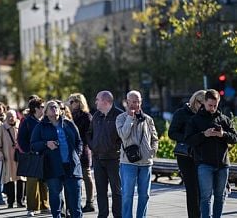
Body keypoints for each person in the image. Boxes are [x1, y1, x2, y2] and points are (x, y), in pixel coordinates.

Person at [185, 89, 237, 218]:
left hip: (222, 164)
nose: (213, 108)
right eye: (210, 105)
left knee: (220, 196)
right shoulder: (195, 120)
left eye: (215, 105)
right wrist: (204, 134)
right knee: (205, 197)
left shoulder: (224, 119)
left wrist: (223, 134)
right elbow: (189, 139)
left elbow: (235, 138)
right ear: (204, 103)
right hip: (204, 164)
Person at [31, 100, 84, 218]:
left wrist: (77, 155)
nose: (54, 109)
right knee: (56, 198)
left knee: (75, 199)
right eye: (51, 107)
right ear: (45, 112)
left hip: (72, 166)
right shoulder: (41, 126)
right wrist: (46, 144)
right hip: (52, 167)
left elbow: (79, 141)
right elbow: (33, 145)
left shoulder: (68, 123)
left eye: (56, 107)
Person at [116, 90, 158, 218]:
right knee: (127, 195)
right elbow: (123, 135)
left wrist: (152, 151)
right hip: (128, 163)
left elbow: (155, 138)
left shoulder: (148, 119)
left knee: (144, 195)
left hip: (146, 163)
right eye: (133, 101)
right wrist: (130, 117)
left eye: (138, 101)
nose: (136, 104)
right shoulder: (121, 118)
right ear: (127, 102)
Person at [168, 90, 206, 218]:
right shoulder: (181, 113)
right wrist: (189, 137)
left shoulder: (205, 114)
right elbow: (172, 133)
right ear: (195, 101)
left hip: (203, 156)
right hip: (186, 157)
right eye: (202, 104)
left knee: (204, 190)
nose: (204, 107)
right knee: (192, 190)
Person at [86, 91, 123, 218]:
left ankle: (118, 216)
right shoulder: (96, 116)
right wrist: (93, 147)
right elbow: (89, 134)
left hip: (114, 159)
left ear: (105, 101)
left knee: (117, 191)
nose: (95, 102)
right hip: (98, 159)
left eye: (97, 99)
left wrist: (115, 148)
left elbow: (124, 137)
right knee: (101, 191)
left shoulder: (119, 115)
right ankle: (102, 215)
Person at [17, 97, 50, 217]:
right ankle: (31, 208)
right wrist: (30, 151)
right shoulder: (26, 122)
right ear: (35, 108)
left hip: (45, 155)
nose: (44, 109)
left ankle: (44, 206)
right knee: (32, 182)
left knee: (44, 182)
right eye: (42, 107)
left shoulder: (46, 121)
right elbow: (21, 140)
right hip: (32, 156)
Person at [68, 93, 95, 213]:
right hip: (71, 151)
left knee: (86, 175)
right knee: (74, 178)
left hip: (83, 150)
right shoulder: (70, 116)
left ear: (80, 102)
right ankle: (76, 203)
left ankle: (90, 202)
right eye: (70, 101)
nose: (71, 103)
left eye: (73, 101)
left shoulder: (86, 116)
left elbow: (88, 135)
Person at [0, 109, 26, 208]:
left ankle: (20, 200)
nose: (11, 118)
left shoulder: (20, 126)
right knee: (9, 179)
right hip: (7, 157)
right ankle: (10, 201)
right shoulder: (1, 128)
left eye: (12, 116)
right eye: (8, 116)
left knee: (21, 178)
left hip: (19, 156)